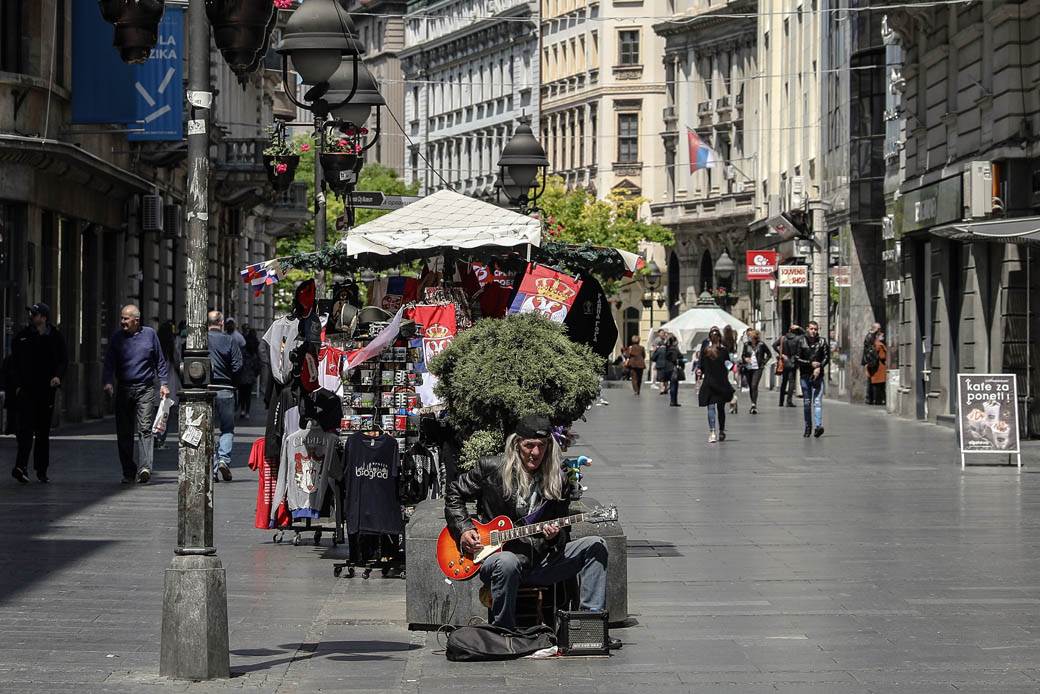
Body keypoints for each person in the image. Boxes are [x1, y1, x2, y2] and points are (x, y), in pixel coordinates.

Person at [444, 415, 614, 645]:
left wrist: (555, 537)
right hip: (497, 559)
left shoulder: (559, 479)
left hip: (540, 561)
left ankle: (588, 626)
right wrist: (464, 530)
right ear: (517, 445)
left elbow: (563, 531)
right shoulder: (490, 468)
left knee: (595, 546)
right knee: (507, 561)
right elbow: (454, 494)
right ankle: (502, 634)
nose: (535, 453)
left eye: (541, 446)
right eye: (529, 446)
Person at [103, 305, 170, 484]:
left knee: (145, 428)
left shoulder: (150, 335)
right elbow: (109, 361)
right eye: (122, 318)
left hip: (145, 389)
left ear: (136, 320)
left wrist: (163, 383)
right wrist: (108, 382)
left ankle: (145, 468)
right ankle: (128, 471)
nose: (122, 322)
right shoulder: (117, 338)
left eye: (126, 318)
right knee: (124, 432)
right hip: (124, 389)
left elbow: (160, 361)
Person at [10, 303, 67, 484]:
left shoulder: (55, 337)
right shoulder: (23, 337)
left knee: (42, 432)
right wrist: (18, 385)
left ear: (43, 317)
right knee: (25, 430)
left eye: (34, 314)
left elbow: (63, 360)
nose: (31, 316)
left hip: (46, 391)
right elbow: (14, 363)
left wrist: (57, 377)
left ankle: (41, 470)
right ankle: (21, 467)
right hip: (27, 391)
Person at [207, 310, 243, 481]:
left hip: (205, 390)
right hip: (226, 389)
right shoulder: (229, 340)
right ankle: (223, 460)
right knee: (227, 428)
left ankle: (212, 468)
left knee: (208, 430)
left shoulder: (201, 339)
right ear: (221, 323)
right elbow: (238, 365)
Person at [697, 327, 735, 442]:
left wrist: (700, 372)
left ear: (710, 338)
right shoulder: (724, 351)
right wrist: (733, 370)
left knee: (711, 407)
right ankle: (721, 431)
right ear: (719, 338)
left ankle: (712, 432)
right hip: (721, 383)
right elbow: (729, 365)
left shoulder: (706, 351)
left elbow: (701, 367)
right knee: (720, 408)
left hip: (709, 382)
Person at [794, 320, 830, 438]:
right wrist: (810, 363)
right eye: (811, 329)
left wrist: (819, 366)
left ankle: (818, 426)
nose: (813, 331)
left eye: (815, 329)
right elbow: (797, 358)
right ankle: (808, 427)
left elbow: (826, 357)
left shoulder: (822, 341)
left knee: (818, 402)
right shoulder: (801, 341)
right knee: (807, 403)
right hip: (805, 376)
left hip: (818, 376)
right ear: (807, 329)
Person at [155, 319, 177, 449]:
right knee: (166, 413)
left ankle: (153, 437)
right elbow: (177, 359)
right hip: (168, 383)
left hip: (154, 383)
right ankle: (161, 439)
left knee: (153, 412)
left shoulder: (155, 345)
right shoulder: (171, 347)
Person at [741, 329, 772, 414]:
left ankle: (754, 404)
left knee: (754, 385)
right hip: (748, 367)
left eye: (750, 337)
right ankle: (752, 403)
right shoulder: (746, 345)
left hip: (758, 368)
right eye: (749, 337)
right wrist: (745, 359)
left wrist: (763, 363)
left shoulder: (761, 344)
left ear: (755, 337)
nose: (749, 338)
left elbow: (769, 354)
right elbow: (743, 355)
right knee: (751, 386)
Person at [773, 324, 802, 407]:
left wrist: (781, 354)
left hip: (784, 362)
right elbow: (805, 335)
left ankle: (781, 401)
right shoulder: (798, 338)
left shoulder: (783, 338)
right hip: (793, 361)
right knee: (791, 381)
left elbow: (774, 345)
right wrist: (799, 327)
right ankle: (789, 401)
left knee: (784, 382)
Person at [238, 327, 260, 418]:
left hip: (243, 375)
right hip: (250, 375)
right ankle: (246, 411)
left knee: (242, 394)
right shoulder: (254, 353)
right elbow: (256, 366)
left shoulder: (243, 351)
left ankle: (243, 410)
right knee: (248, 395)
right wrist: (256, 374)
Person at [867, 328, 887, 406]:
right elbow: (882, 356)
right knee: (880, 386)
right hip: (880, 367)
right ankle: (879, 400)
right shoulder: (880, 345)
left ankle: (874, 399)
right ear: (878, 336)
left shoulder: (873, 344)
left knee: (875, 385)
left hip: (873, 368)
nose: (883, 337)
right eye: (882, 336)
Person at [722, 325, 740, 414]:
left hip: (725, 360)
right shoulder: (733, 340)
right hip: (731, 360)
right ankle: (732, 400)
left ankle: (733, 398)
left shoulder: (723, 340)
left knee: (723, 381)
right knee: (724, 380)